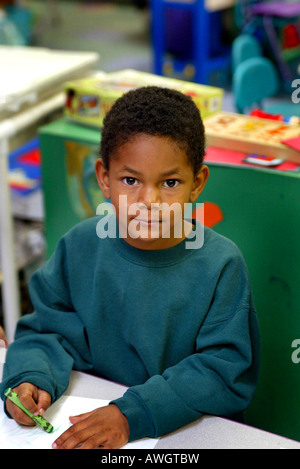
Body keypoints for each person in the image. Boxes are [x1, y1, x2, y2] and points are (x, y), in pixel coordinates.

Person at [0, 86, 260, 449]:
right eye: (130, 180)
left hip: (187, 433)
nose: (148, 202)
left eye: (170, 183)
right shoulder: (79, 246)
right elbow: (47, 330)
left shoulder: (221, 265)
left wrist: (130, 415)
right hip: (89, 419)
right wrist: (31, 378)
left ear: (196, 183)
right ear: (104, 178)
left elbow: (222, 371)